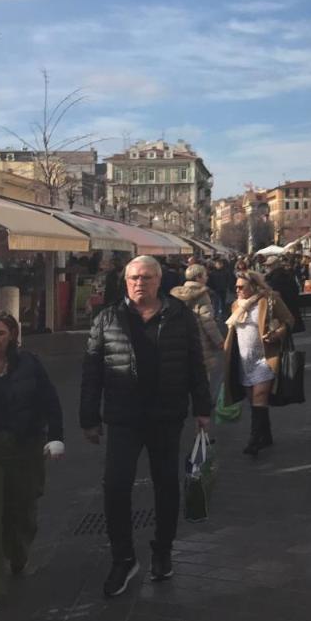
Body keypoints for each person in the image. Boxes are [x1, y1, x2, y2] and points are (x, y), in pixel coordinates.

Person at [79, 256, 210, 598]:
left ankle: (162, 550)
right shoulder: (106, 317)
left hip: (166, 415)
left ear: (159, 281)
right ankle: (123, 558)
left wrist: (203, 407)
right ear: (125, 282)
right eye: (134, 277)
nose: (140, 283)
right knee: (116, 486)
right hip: (123, 416)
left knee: (166, 484)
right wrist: (88, 418)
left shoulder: (179, 315)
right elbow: (91, 372)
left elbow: (196, 363)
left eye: (147, 278)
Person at [0, 310, 63, 617]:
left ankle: (17, 552)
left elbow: (50, 401)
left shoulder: (30, 365)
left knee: (21, 510)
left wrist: (55, 437)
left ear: (12, 335)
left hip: (24, 446)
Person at [223, 270, 293, 457]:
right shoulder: (236, 305)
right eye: (236, 286)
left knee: (259, 396)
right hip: (245, 360)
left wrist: (277, 333)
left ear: (253, 286)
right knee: (252, 400)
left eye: (241, 286)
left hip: (265, 357)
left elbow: (289, 320)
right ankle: (266, 434)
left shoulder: (270, 300)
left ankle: (254, 441)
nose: (237, 290)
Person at [170, 264, 225, 378]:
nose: (207, 278)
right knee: (202, 377)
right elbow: (208, 322)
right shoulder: (202, 295)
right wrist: (219, 341)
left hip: (181, 338)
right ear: (198, 277)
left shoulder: (179, 293)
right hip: (200, 339)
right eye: (205, 275)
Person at [264, 257, 303, 333]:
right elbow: (296, 290)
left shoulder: (275, 277)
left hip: (281, 310)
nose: (266, 267)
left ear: (275, 265)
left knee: (281, 334)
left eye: (268, 265)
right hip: (291, 309)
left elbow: (274, 294)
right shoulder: (287, 274)